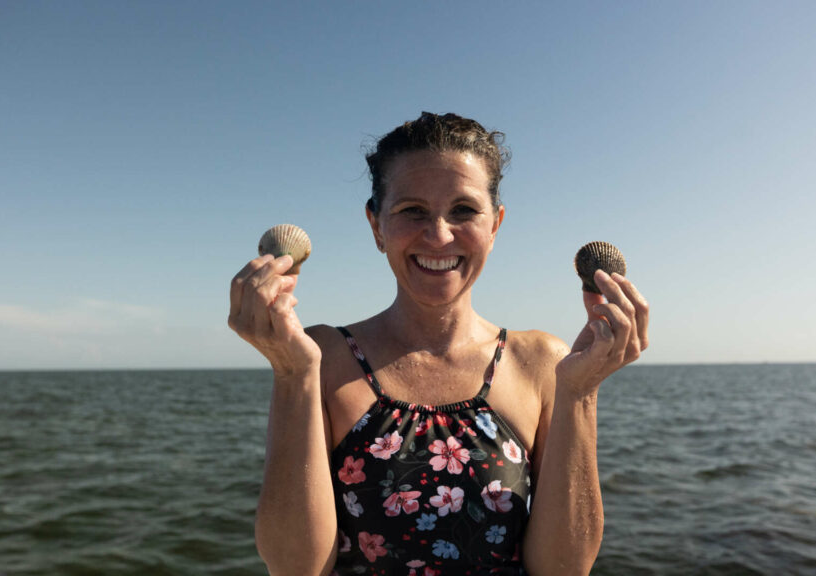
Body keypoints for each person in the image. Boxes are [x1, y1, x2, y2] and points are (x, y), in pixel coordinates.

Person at [228, 112, 649, 576]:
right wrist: (291, 375)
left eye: (464, 210)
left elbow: (563, 569)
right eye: (413, 211)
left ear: (495, 225)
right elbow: (296, 568)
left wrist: (581, 391)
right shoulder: (324, 357)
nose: (439, 235)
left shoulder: (540, 363)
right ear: (376, 225)